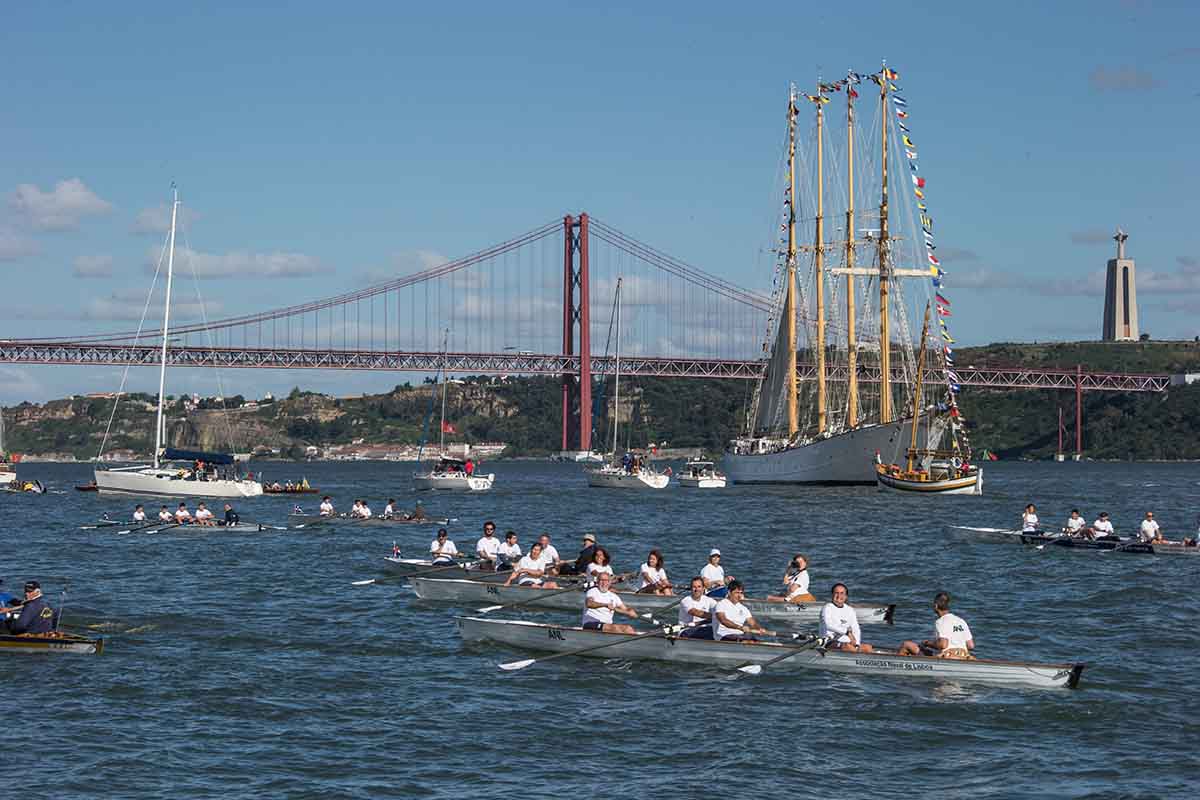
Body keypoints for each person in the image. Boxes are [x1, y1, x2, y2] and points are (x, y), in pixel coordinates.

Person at [897, 592, 975, 659]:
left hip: (946, 657)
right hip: (964, 656)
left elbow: (943, 644)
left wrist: (928, 643)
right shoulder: (961, 621)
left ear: (936, 606)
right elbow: (971, 645)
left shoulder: (941, 621)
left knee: (906, 644)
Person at [819, 583, 873, 653]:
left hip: (846, 642)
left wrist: (857, 643)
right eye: (836, 593)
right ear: (832, 595)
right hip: (829, 642)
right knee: (847, 647)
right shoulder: (827, 608)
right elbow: (828, 625)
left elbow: (856, 628)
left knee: (867, 647)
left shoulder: (850, 610)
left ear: (846, 596)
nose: (839, 596)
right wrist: (847, 632)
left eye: (842, 593)